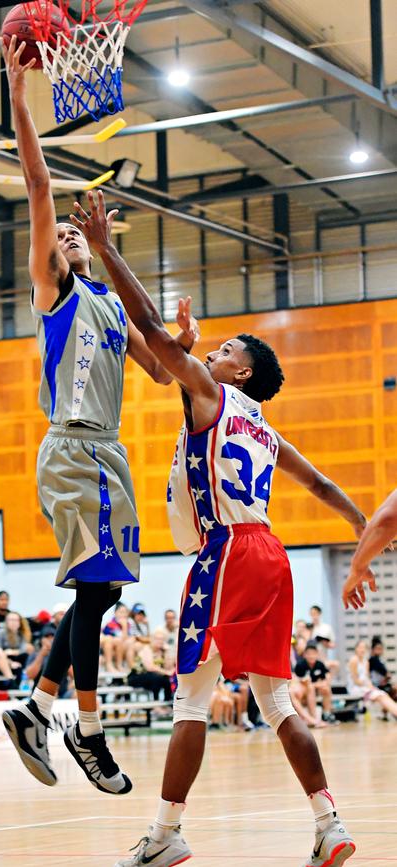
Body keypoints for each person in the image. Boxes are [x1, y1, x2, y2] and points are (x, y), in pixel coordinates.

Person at [67, 194, 367, 866]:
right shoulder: (264, 426)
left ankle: (167, 832)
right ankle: (330, 821)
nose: (213, 350)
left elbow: (146, 323)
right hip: (271, 550)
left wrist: (107, 249)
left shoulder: (209, 391)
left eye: (226, 349)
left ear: (240, 372)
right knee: (274, 696)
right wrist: (365, 528)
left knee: (191, 701)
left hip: (226, 549)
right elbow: (319, 486)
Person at [0, 36, 172, 797]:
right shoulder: (57, 294)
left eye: (75, 235)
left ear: (93, 250)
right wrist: (18, 92)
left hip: (112, 453)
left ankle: (38, 706)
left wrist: (184, 343)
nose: (65, 236)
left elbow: (162, 371)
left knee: (102, 593)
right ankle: (86, 727)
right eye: (58, 236)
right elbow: (39, 186)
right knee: (94, 587)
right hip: (72, 450)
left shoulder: (105, 302)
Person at [346, 639, 397, 719]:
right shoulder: (354, 660)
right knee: (380, 696)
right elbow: (356, 681)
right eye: (360, 647)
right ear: (356, 649)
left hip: (365, 687)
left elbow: (367, 678)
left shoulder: (366, 662)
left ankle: (393, 712)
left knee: (383, 694)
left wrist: (371, 686)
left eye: (364, 648)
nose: (362, 650)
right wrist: (368, 687)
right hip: (355, 688)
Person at [294, 641, 336, 725]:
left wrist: (319, 684)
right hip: (305, 691)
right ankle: (313, 717)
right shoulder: (300, 665)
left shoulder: (320, 664)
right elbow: (299, 681)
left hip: (316, 688)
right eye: (309, 654)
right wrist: (315, 684)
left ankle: (326, 713)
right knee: (311, 688)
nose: (311, 656)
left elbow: (327, 678)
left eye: (313, 653)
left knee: (326, 689)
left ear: (317, 654)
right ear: (305, 654)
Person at [25, 625, 72, 698]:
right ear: (41, 639)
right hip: (40, 694)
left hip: (63, 694)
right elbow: (30, 676)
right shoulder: (35, 655)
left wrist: (60, 653)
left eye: (52, 636)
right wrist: (41, 655)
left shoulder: (63, 653)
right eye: (47, 637)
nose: (50, 639)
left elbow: (73, 674)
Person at [127, 629, 174, 702]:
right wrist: (166, 672)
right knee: (157, 677)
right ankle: (156, 705)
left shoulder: (163, 651)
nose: (160, 641)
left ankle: (167, 702)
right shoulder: (147, 649)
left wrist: (167, 652)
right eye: (157, 639)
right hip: (137, 676)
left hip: (152, 677)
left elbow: (168, 667)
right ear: (152, 639)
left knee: (167, 679)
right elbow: (150, 667)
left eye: (162, 639)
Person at [0, 611, 32, 686]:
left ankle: (22, 686)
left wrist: (11, 651)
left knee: (26, 655)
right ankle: (14, 687)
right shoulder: (1, 632)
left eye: (15, 620)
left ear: (19, 622)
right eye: (11, 620)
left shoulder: (23, 633)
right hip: (4, 660)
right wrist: (10, 662)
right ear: (6, 621)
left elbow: (23, 650)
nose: (13, 622)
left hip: (19, 659)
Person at [101, 602, 134, 674]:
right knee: (115, 640)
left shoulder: (129, 624)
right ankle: (110, 665)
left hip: (120, 650)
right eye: (121, 612)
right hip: (109, 650)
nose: (124, 615)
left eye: (125, 612)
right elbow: (108, 638)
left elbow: (127, 641)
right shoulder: (110, 624)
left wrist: (125, 626)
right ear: (115, 613)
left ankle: (119, 665)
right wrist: (124, 627)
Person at [369, 636, 397, 701]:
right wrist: (385, 679)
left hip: (381, 685)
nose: (380, 651)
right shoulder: (373, 660)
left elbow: (388, 675)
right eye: (378, 648)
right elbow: (387, 675)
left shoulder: (378, 660)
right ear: (373, 649)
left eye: (381, 649)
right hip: (377, 686)